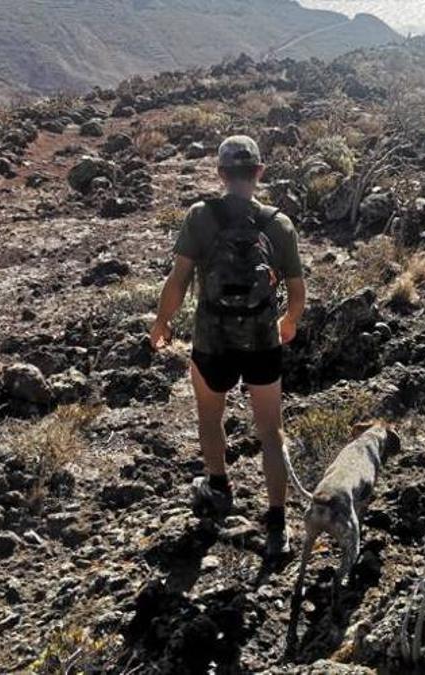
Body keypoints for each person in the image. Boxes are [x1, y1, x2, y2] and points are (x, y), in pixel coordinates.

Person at [149, 135, 306, 558]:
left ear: (220, 174)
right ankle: (277, 524)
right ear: (259, 173)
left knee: (209, 416)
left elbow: (179, 279)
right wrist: (287, 322)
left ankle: (218, 486)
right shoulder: (279, 224)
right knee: (271, 432)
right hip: (261, 342)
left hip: (212, 341)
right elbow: (296, 290)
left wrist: (162, 322)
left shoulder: (201, 216)